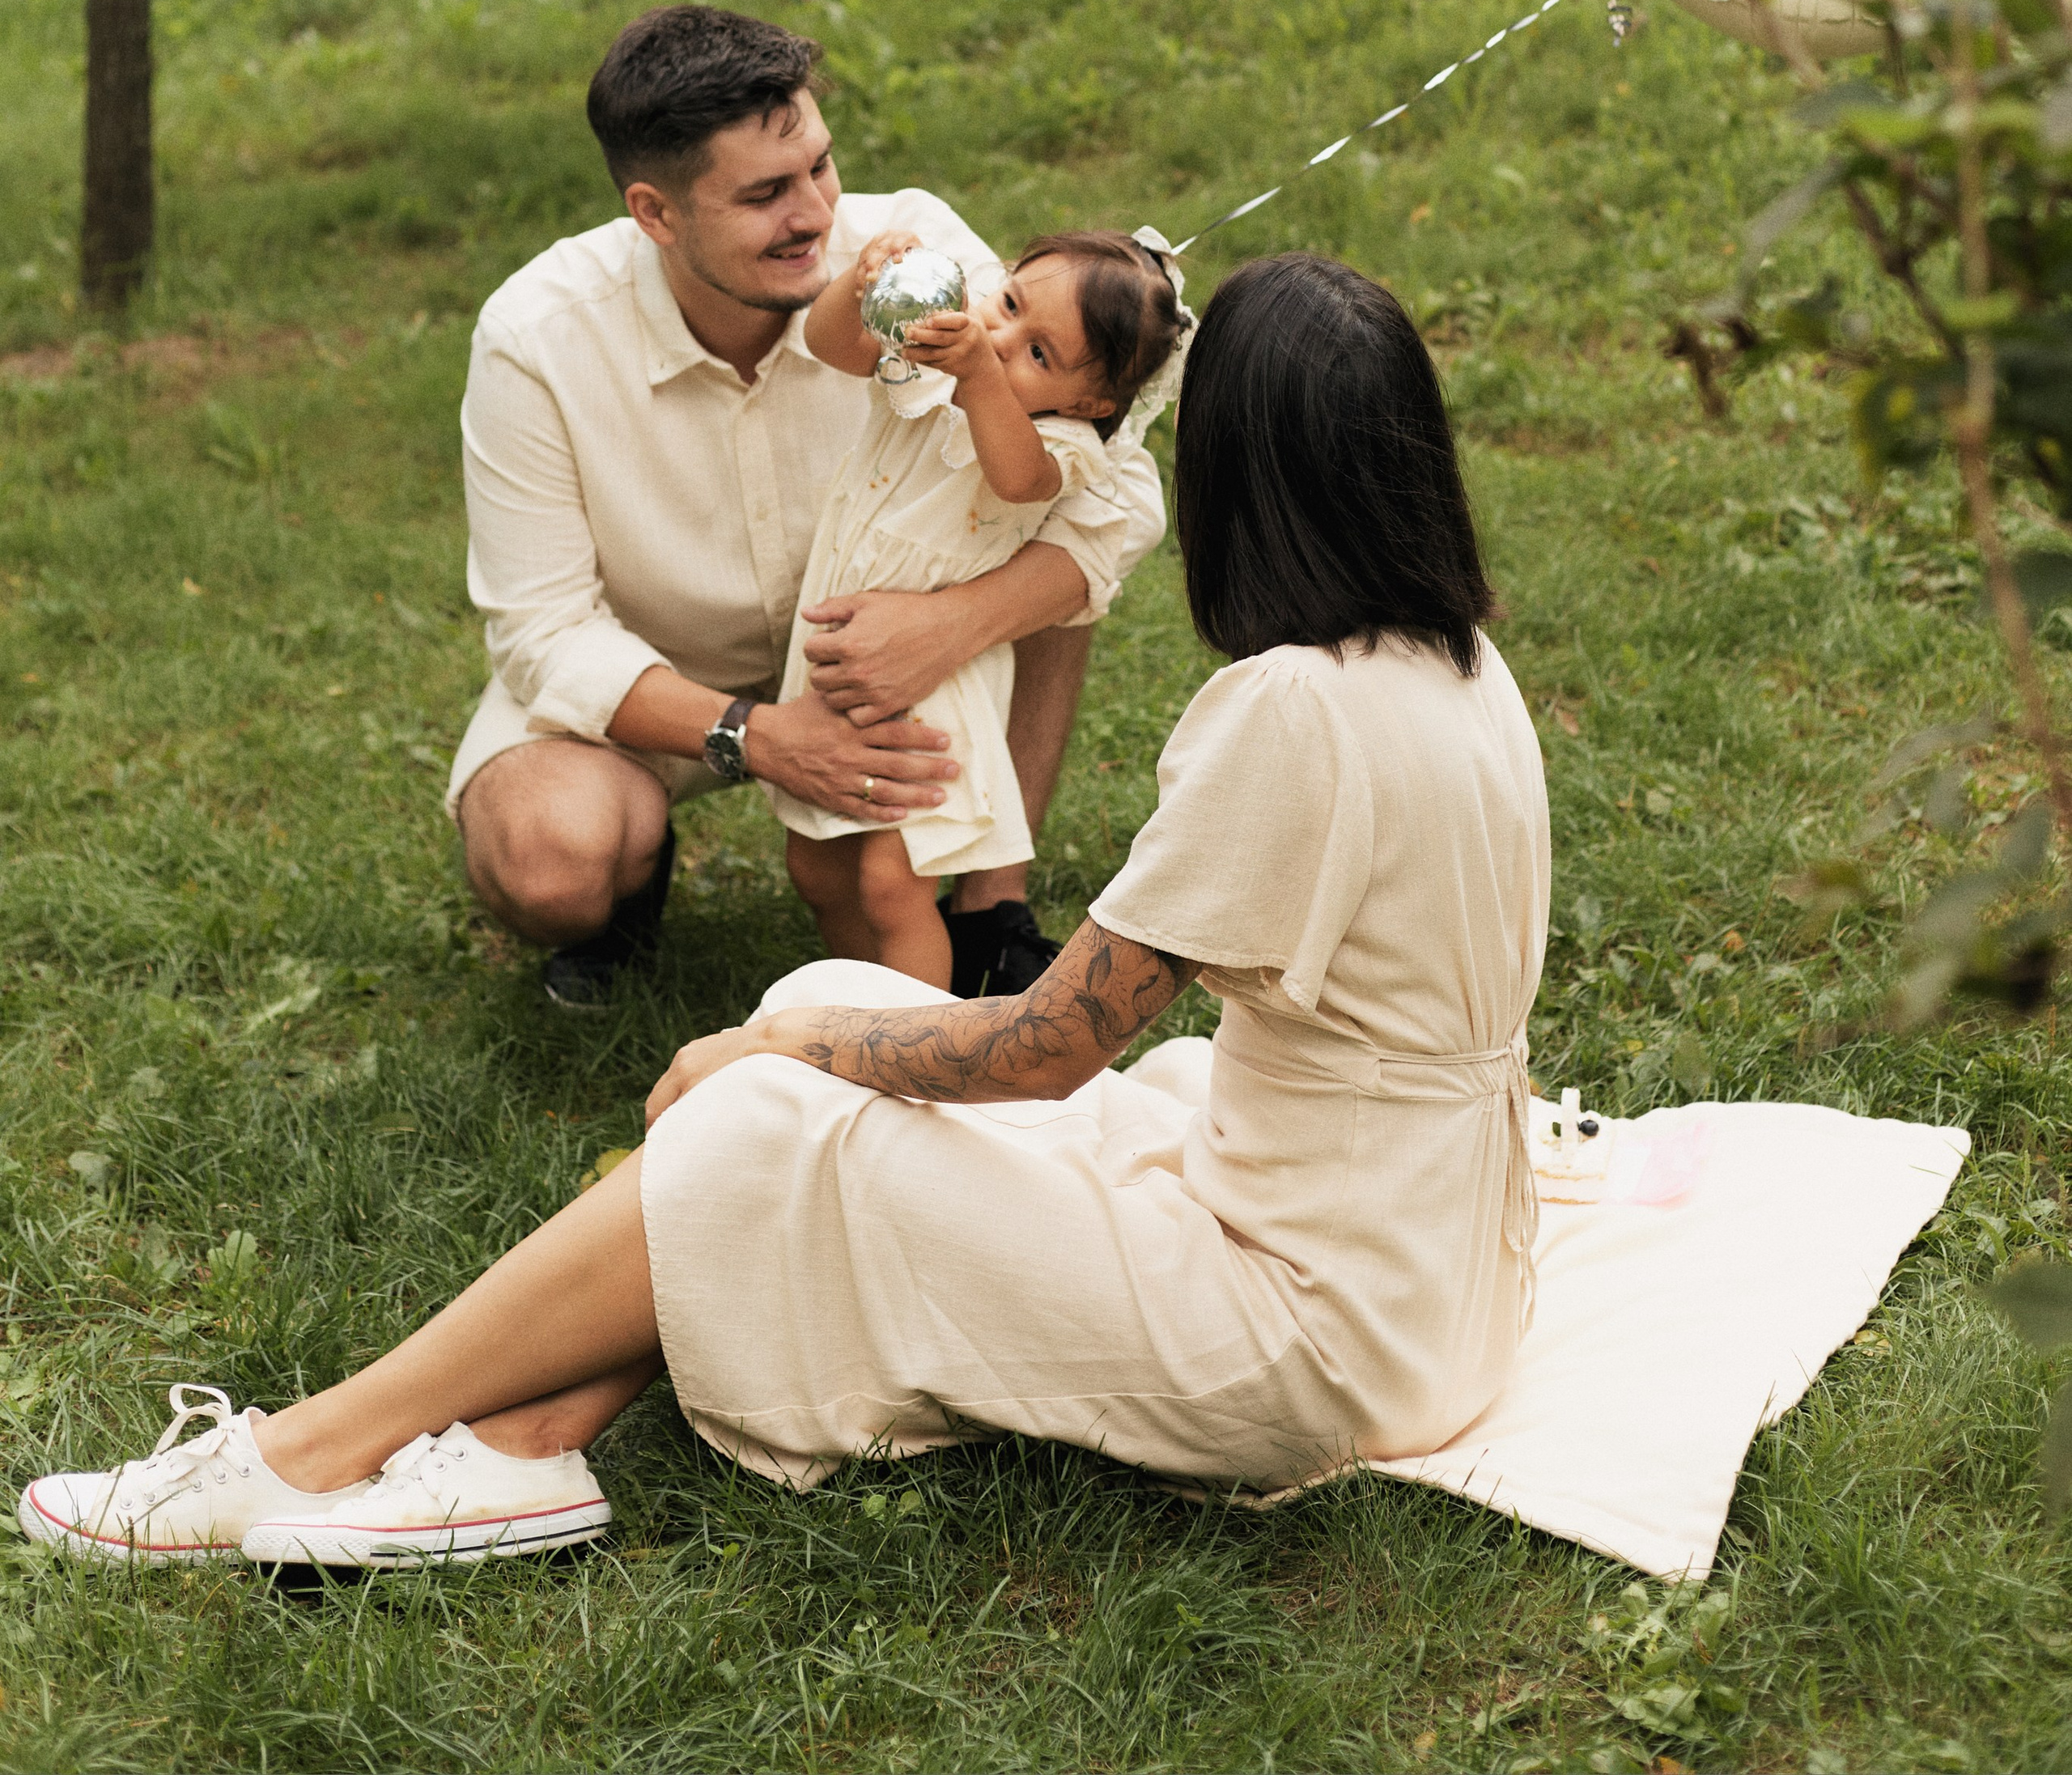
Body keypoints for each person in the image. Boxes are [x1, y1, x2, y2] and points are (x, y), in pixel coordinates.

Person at [19, 252, 1552, 1570]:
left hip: (1310, 1338)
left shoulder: (1290, 709)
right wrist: (820, 1029)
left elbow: (1046, 1051)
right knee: (852, 994)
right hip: (1434, 1280)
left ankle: (299, 1452)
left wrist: (786, 1055)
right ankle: (524, 1449)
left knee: (770, 1100)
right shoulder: (1463, 671)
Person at [448, 4, 1166, 1005]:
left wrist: (954, 620)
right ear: (655, 213)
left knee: (1046, 538)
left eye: (820, 168)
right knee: (551, 862)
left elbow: (1118, 486)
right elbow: (542, 633)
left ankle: (991, 912)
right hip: (668, 674)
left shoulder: (913, 260)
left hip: (890, 656)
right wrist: (758, 732)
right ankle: (635, 861)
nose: (817, 216)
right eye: (764, 195)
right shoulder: (538, 334)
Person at [771, 226, 1190, 984]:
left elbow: (1016, 479)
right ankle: (871, 1008)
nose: (1001, 337)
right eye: (1008, 302)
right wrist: (857, 288)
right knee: (818, 868)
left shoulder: (1059, 443)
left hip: (940, 682)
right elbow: (829, 345)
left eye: (1039, 353)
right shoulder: (928, 357)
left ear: (1089, 399)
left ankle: (932, 1051)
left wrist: (977, 377)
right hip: (843, 649)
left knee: (893, 883)